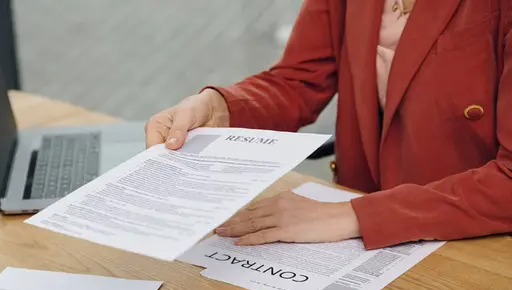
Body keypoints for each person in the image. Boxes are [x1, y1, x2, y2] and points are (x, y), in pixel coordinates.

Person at [144, 0, 512, 249]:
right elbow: (301, 80)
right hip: (356, 234)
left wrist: (356, 216)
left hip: (471, 239)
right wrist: (223, 108)